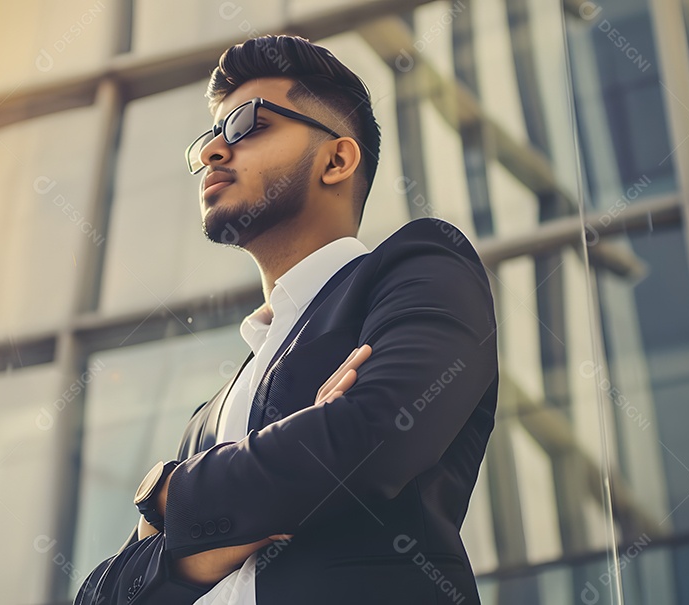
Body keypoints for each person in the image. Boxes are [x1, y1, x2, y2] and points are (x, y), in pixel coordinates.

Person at [75, 34, 498, 604]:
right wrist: (207, 540)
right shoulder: (210, 417)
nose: (213, 152)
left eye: (249, 125)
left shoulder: (418, 266)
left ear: (337, 159)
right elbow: (105, 597)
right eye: (211, 136)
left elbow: (374, 435)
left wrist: (169, 491)